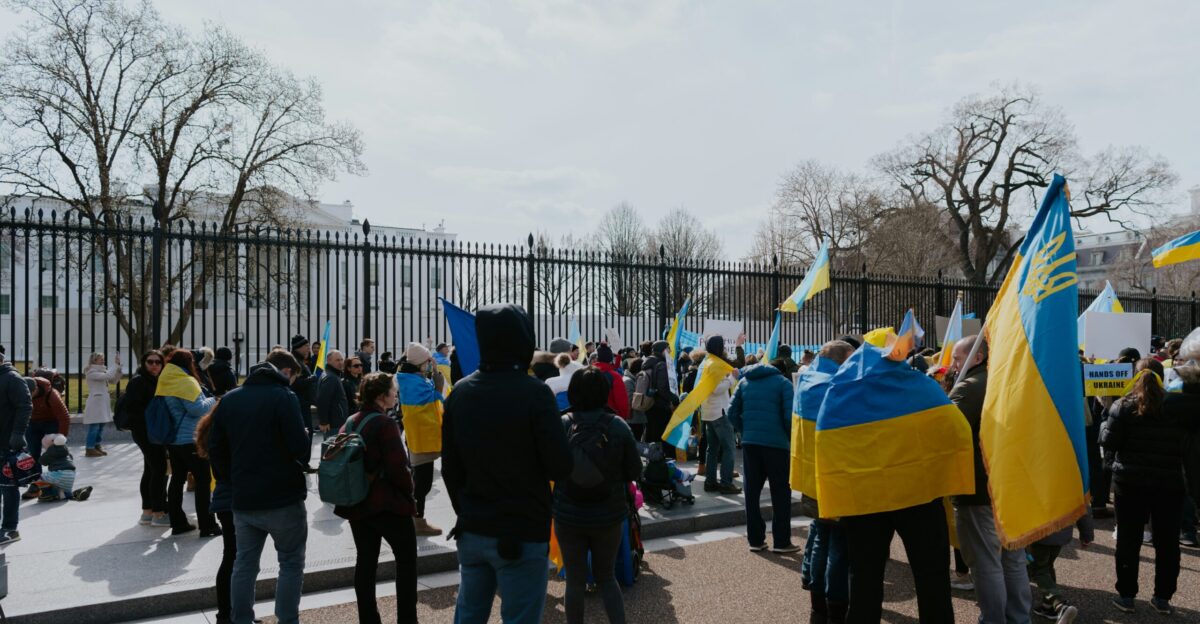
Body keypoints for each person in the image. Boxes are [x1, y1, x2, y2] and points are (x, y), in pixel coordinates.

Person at [442, 303, 573, 624]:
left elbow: (450, 468)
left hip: (473, 525)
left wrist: (466, 509)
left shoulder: (460, 391)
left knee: (468, 616)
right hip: (522, 527)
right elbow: (560, 466)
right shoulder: (534, 393)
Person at [208, 349, 310, 624]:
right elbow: (299, 449)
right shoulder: (284, 397)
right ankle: (287, 620)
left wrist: (230, 477)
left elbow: (215, 447)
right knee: (290, 563)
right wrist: (305, 436)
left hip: (243, 496)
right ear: (283, 373)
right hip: (282, 495)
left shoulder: (230, 399)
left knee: (244, 564)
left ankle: (240, 619)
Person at [1102, 356, 1200, 615]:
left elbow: (1109, 442)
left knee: (1128, 540)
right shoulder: (1179, 407)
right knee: (1167, 543)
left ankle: (1126, 596)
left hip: (1129, 483)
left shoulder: (1123, 406)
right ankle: (1163, 597)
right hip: (1170, 484)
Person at [948, 335, 1032, 624]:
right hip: (1010, 484)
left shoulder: (970, 386)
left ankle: (994, 620)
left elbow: (947, 431)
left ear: (978, 357)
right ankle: (1019, 618)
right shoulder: (1007, 380)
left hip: (979, 487)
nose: (953, 364)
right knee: (1013, 559)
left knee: (986, 562)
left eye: (958, 358)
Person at [554, 367, 642, 624]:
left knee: (575, 579)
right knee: (606, 577)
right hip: (609, 512)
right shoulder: (617, 425)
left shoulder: (562, 424)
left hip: (568, 512)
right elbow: (634, 470)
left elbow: (551, 466)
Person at [335, 372, 419, 624]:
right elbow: (398, 467)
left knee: (366, 561)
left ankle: (369, 619)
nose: (396, 395)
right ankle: (407, 619)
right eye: (393, 391)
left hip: (357, 502)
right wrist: (410, 491)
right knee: (406, 562)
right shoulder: (385, 424)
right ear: (383, 396)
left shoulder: (351, 421)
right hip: (388, 502)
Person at [800, 341, 855, 624]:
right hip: (836, 477)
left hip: (811, 477)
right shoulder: (839, 385)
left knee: (820, 538)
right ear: (841, 359)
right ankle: (836, 607)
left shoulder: (807, 379)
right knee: (839, 546)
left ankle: (817, 606)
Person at [194, 408, 259, 624]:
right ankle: (230, 613)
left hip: (224, 499)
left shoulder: (213, 430)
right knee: (237, 559)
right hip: (234, 499)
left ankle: (229, 613)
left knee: (232, 556)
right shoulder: (227, 434)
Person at [728, 354, 796, 552]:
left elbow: (732, 412)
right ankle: (782, 541)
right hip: (777, 445)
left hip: (750, 443)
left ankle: (756, 540)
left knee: (752, 492)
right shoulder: (783, 383)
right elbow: (788, 416)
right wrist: (788, 437)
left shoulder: (744, 381)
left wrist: (744, 430)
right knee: (781, 493)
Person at [159, 350, 220, 537]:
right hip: (191, 438)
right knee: (203, 481)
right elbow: (197, 409)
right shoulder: (186, 381)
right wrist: (214, 399)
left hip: (174, 439)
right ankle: (207, 524)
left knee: (177, 479)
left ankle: (178, 523)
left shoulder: (165, 379)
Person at [397, 343, 445, 537]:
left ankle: (414, 518)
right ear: (420, 363)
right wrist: (438, 383)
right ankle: (417, 520)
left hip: (422, 435)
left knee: (420, 480)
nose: (431, 363)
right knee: (422, 483)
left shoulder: (414, 378)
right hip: (421, 437)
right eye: (428, 361)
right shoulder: (412, 382)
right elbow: (433, 401)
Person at [124, 351, 168, 526]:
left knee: (151, 469)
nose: (154, 365)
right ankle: (158, 513)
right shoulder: (139, 381)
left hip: (151, 431)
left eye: (158, 362)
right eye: (150, 361)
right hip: (146, 432)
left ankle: (147, 512)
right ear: (144, 363)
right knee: (159, 468)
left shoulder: (154, 380)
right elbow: (134, 409)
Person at [1027, 512, 1092, 621]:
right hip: (1062, 531)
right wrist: (1087, 534)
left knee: (1038, 569)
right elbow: (1084, 506)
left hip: (1038, 531)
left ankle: (1059, 604)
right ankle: (1048, 605)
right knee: (1047, 566)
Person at [701, 335, 744, 496]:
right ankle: (726, 483)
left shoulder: (708, 362)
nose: (726, 347)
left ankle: (710, 482)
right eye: (724, 345)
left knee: (712, 449)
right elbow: (717, 389)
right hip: (719, 412)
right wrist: (732, 378)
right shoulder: (715, 364)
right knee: (729, 448)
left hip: (709, 412)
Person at [0, 351, 31, 545]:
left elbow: (25, 406)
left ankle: (10, 529)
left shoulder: (12, 378)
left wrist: (17, 434)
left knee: (8, 487)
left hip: (7, 443)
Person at [22, 375, 69, 501]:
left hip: (51, 422)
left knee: (55, 453)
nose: (27, 396)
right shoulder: (21, 393)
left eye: (29, 393)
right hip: (32, 423)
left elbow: (64, 417)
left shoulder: (52, 395)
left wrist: (61, 438)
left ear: (36, 389)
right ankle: (36, 486)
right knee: (33, 455)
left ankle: (58, 485)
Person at [641, 340, 680, 456]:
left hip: (651, 405)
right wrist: (674, 399)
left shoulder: (648, 362)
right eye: (668, 349)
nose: (670, 351)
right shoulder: (661, 364)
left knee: (652, 436)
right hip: (661, 406)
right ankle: (662, 463)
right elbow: (663, 388)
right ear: (663, 350)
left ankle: (652, 461)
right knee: (661, 437)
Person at [82, 351, 123, 457]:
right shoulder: (91, 372)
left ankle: (97, 445)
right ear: (94, 360)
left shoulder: (102, 371)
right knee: (95, 425)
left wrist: (118, 369)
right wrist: (115, 365)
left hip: (102, 401)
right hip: (96, 402)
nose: (103, 360)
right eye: (101, 358)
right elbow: (108, 375)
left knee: (101, 425)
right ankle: (89, 448)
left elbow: (113, 380)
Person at [34, 434, 92, 502]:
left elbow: (42, 461)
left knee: (39, 478)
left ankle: (47, 494)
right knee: (65, 490)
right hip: (71, 475)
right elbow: (71, 459)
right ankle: (75, 493)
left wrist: (46, 453)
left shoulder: (51, 451)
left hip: (59, 474)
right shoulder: (66, 451)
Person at [591, 343, 630, 420]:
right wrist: (624, 417)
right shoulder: (614, 376)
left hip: (588, 418)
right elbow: (621, 399)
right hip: (610, 419)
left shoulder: (585, 373)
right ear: (610, 358)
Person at [317, 350, 350, 439]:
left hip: (335, 421)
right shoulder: (331, 377)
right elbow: (323, 400)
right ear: (329, 361)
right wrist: (324, 421)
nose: (340, 362)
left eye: (341, 360)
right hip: (334, 423)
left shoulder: (332, 375)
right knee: (333, 450)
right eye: (337, 360)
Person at [290, 334, 317, 443]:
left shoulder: (299, 361)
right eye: (306, 345)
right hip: (299, 404)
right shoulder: (294, 362)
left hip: (304, 403)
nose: (308, 348)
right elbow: (293, 383)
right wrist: (311, 379)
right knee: (304, 435)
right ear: (298, 347)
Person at [623, 358, 647, 441]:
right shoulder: (628, 381)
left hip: (635, 419)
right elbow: (630, 401)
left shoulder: (630, 379)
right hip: (633, 419)